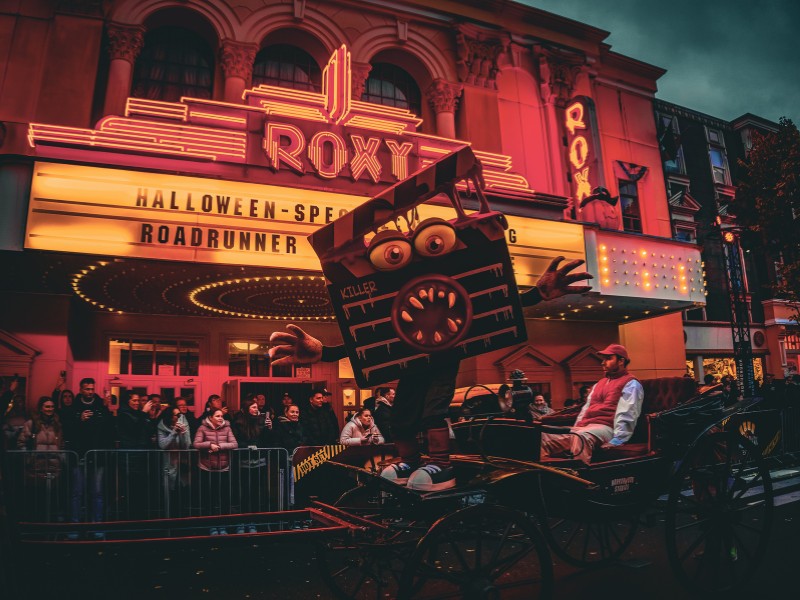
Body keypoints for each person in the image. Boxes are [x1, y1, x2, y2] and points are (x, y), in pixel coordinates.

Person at [270, 255, 591, 491]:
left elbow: (492, 310)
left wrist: (536, 295)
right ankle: (410, 460)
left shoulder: (453, 310)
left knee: (432, 410)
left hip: (441, 360)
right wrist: (326, 353)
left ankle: (441, 465)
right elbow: (368, 338)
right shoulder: (398, 318)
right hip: (412, 364)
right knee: (403, 416)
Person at [540, 344, 643, 464]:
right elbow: (585, 410)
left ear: (621, 361)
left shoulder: (631, 384)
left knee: (581, 436)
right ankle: (547, 476)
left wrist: (617, 440)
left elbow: (628, 414)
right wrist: (577, 427)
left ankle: (579, 479)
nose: (603, 363)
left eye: (608, 359)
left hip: (608, 428)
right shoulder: (599, 384)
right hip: (587, 427)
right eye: (603, 359)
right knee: (543, 437)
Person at [67, 377, 114, 534]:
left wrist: (107, 408)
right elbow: (68, 430)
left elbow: (109, 428)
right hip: (78, 455)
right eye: (87, 389)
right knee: (76, 493)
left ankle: (97, 525)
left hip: (97, 456)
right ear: (80, 390)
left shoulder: (101, 405)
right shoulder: (74, 407)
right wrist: (79, 420)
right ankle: (75, 526)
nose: (90, 392)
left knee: (97, 492)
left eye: (92, 389)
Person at [16, 396, 65, 520]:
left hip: (53, 468)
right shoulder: (31, 424)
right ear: (41, 408)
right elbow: (21, 442)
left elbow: (62, 444)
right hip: (36, 468)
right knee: (36, 501)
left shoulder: (57, 424)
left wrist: (61, 458)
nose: (50, 409)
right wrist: (29, 459)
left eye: (52, 406)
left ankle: (49, 532)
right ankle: (35, 530)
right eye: (47, 406)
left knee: (52, 503)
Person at [193, 408, 238, 533]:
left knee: (224, 498)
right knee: (209, 499)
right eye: (217, 416)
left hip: (223, 468)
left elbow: (235, 444)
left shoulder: (227, 428)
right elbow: (196, 444)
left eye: (221, 416)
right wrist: (209, 445)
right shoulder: (202, 428)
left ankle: (222, 525)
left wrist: (220, 446)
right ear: (210, 417)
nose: (220, 418)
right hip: (207, 468)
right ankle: (211, 525)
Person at [157, 406, 192, 517]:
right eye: (176, 415)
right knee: (169, 493)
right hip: (168, 464)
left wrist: (183, 433)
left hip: (182, 463)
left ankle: (183, 519)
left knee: (183, 492)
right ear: (170, 417)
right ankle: (169, 520)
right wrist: (173, 433)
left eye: (180, 414)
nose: (179, 417)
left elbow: (186, 445)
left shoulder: (182, 423)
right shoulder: (161, 427)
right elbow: (162, 445)